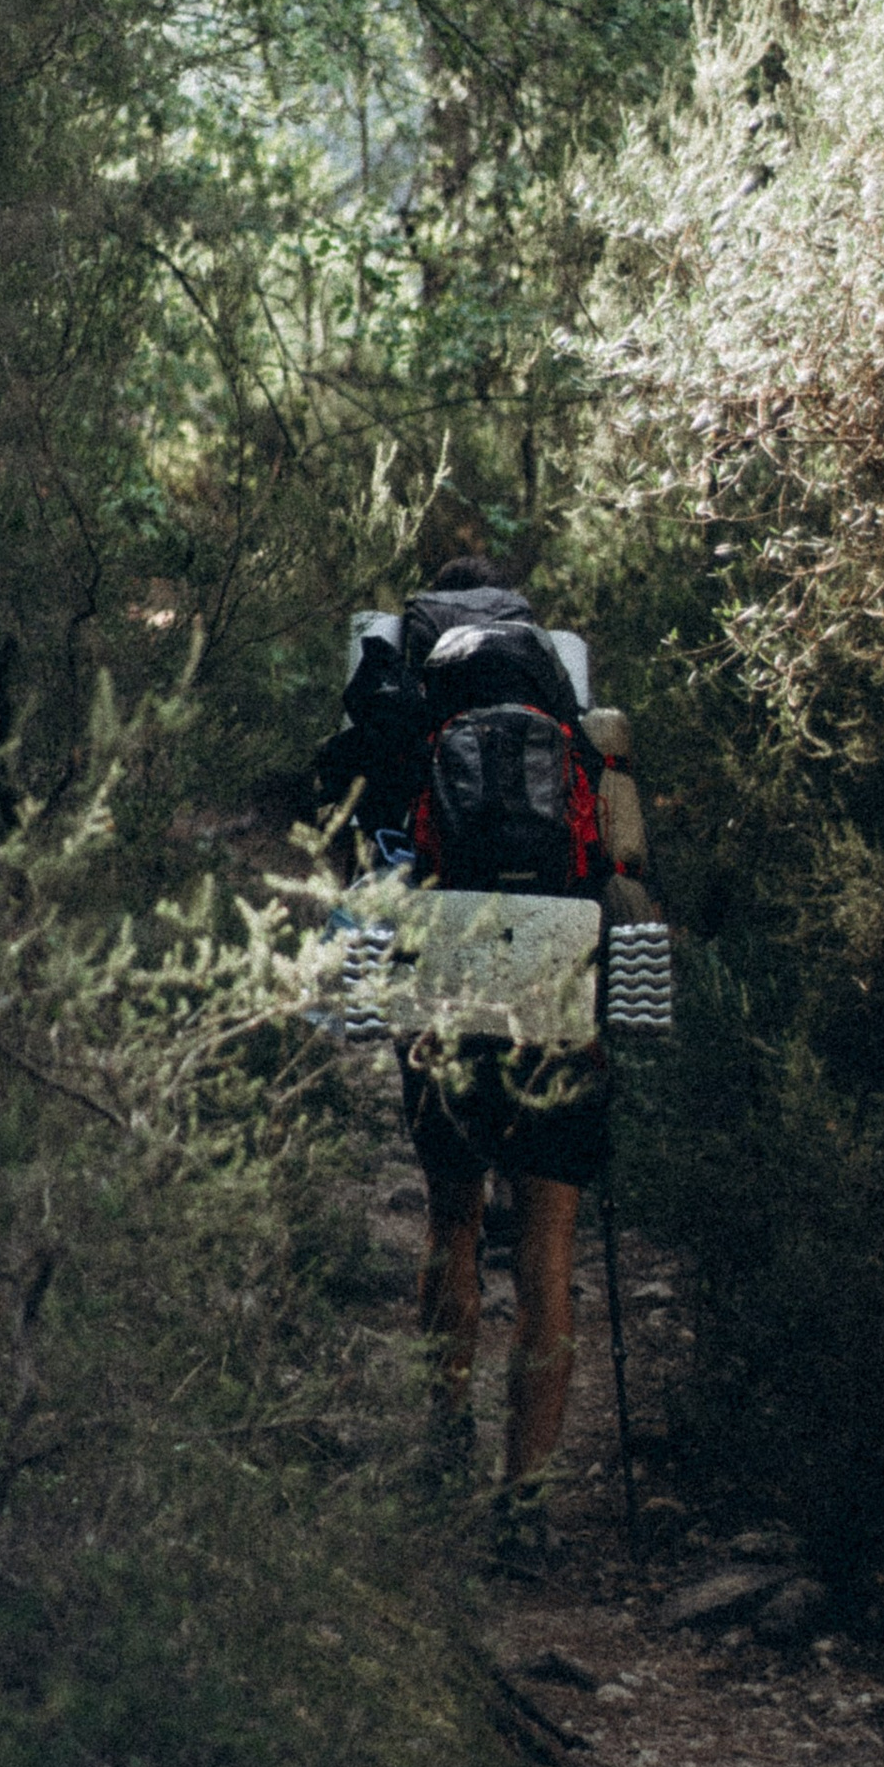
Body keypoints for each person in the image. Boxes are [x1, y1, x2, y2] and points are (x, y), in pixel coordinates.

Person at [321, 555, 628, 1570]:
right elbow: (626, 870)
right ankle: (525, 1504)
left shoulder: (408, 698)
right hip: (559, 957)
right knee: (547, 1254)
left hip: (449, 954)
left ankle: (444, 1442)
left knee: (451, 1217)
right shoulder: (570, 713)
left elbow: (362, 859)